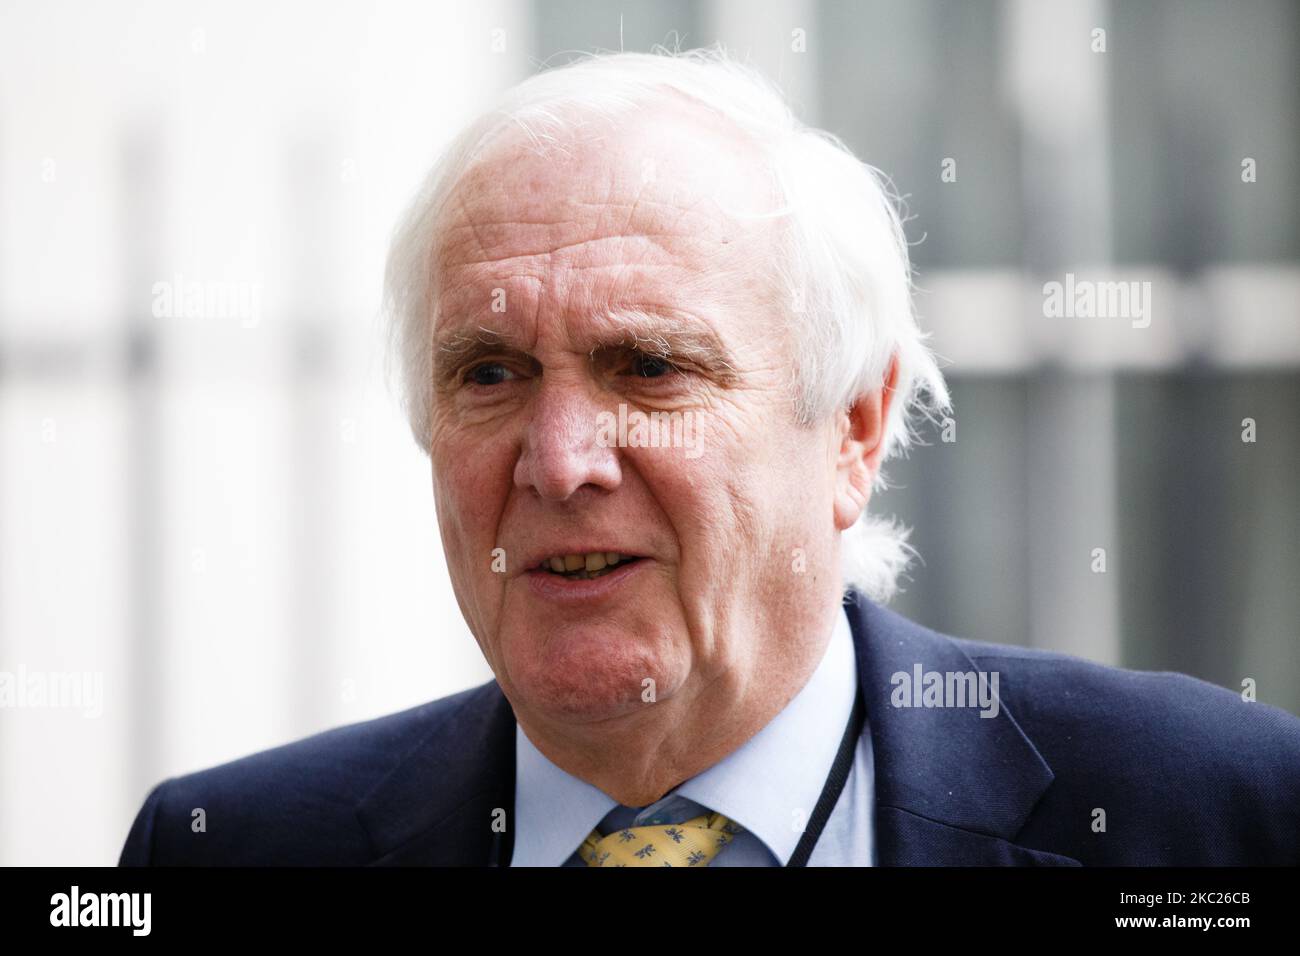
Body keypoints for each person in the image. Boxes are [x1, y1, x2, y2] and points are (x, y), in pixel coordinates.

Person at [119, 47, 1300, 867]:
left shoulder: (1215, 814)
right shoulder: (235, 844)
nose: (560, 460)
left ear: (851, 425)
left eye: (647, 367)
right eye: (489, 373)